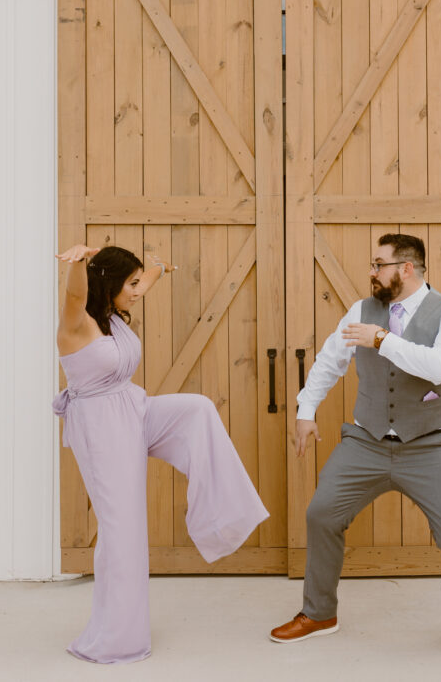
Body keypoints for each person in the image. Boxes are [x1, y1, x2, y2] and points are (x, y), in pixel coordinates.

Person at [269, 233, 441, 660]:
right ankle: (319, 614)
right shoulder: (361, 310)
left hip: (432, 444)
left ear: (406, 269)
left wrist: (381, 340)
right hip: (367, 440)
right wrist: (306, 410)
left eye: (379, 265)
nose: (371, 273)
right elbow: (330, 360)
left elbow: (440, 367)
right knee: (321, 514)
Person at [54, 244, 269, 664]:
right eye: (129, 285)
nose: (137, 292)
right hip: (101, 430)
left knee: (197, 409)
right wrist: (80, 261)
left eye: (137, 285)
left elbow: (145, 278)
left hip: (133, 409)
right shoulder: (75, 323)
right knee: (123, 531)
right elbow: (77, 294)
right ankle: (116, 639)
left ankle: (220, 521)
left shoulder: (111, 314)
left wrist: (155, 268)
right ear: (108, 284)